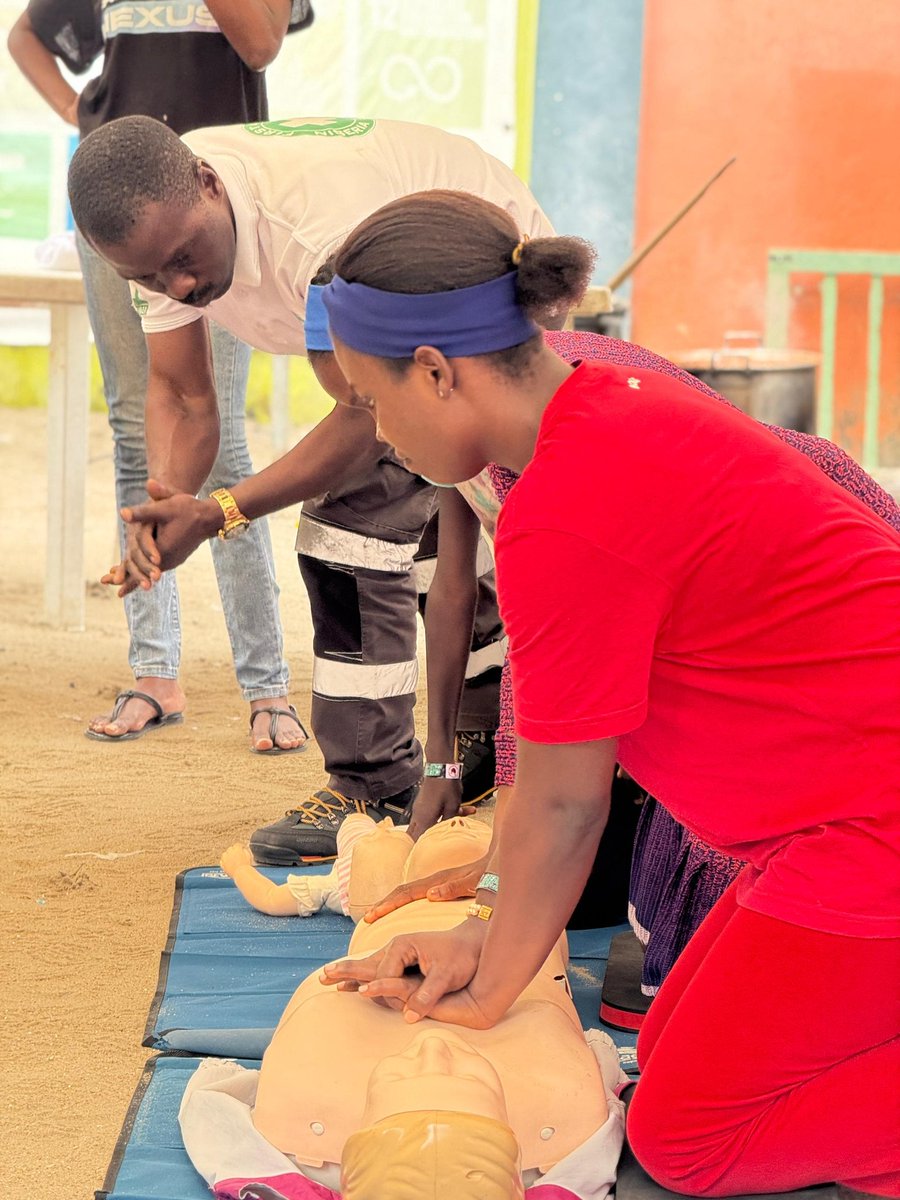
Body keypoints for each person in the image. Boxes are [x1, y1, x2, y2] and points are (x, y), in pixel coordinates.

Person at [312, 190, 900, 1196]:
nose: (376, 435)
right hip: (826, 819)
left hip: (867, 829)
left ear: (437, 371)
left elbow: (566, 798)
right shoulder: (597, 389)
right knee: (664, 1059)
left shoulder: (566, 503)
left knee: (689, 1140)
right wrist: (490, 931)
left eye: (370, 401)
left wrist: (493, 981)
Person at [66, 115, 554, 853]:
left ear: (206, 182)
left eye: (182, 260)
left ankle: (378, 785)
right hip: (411, 327)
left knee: (351, 532)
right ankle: (470, 750)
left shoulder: (317, 233)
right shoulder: (162, 226)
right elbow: (187, 398)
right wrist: (168, 503)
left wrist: (224, 509)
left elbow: (364, 416)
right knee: (434, 530)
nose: (182, 286)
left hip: (476, 284)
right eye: (148, 278)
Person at [8, 0, 315, 751]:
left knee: (223, 440)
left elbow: (262, 42)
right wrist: (88, 124)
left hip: (209, 212)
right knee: (134, 428)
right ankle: (154, 672)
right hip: (115, 217)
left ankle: (266, 681)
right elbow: (27, 38)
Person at [181, 817, 625, 1199]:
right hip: (514, 928)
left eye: (396, 1073)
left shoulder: (303, 1099)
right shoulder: (564, 1110)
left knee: (375, 844)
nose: (433, 1045)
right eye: (469, 1076)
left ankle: (366, 824)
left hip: (402, 924)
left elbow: (213, 1109)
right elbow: (602, 1074)